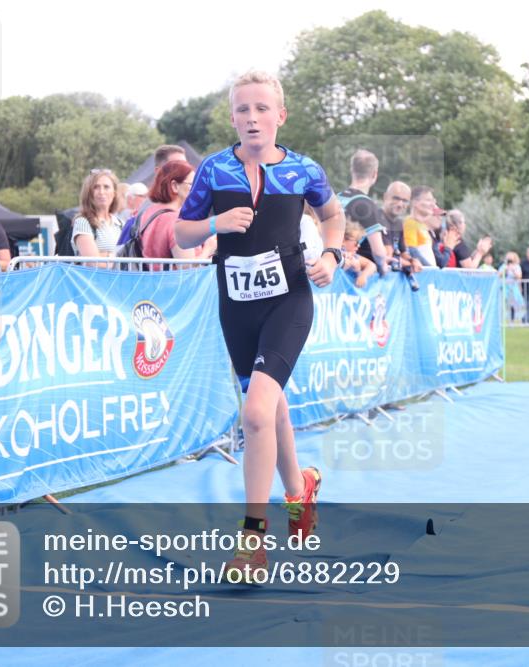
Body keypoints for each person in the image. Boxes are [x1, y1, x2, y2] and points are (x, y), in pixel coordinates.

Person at [175, 70, 345, 582]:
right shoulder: (213, 171)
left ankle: (252, 541)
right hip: (237, 306)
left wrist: (333, 255)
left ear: (280, 116)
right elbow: (182, 230)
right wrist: (214, 225)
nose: (252, 118)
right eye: (243, 110)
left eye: (262, 109)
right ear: (233, 117)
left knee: (254, 414)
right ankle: (299, 490)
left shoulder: (303, 170)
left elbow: (333, 216)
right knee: (270, 410)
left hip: (290, 300)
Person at [139, 161, 215, 269]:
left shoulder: (148, 212)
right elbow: (187, 266)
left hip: (152, 282)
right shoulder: (176, 219)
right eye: (192, 184)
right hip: (176, 284)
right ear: (174, 186)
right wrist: (209, 248)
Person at [118, 145, 191, 246]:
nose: (184, 171)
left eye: (185, 166)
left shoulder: (187, 206)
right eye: (176, 166)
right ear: (158, 172)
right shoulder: (149, 212)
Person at [339, 149, 387, 275]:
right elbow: (379, 253)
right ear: (374, 174)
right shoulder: (367, 205)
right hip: (347, 273)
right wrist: (383, 269)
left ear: (352, 170)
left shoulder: (335, 198)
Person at [72, 169, 123, 266]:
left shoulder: (120, 224)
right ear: (89, 193)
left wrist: (106, 256)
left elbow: (130, 258)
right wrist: (117, 258)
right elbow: (95, 263)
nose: (101, 192)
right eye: (96, 187)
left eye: (106, 187)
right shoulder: (83, 222)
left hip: (118, 280)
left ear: (114, 193)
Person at [403, 186, 439, 267]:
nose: (433, 204)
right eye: (428, 200)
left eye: (433, 200)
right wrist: (432, 269)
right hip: (423, 274)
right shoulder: (410, 223)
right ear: (415, 202)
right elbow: (412, 251)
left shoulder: (421, 224)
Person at [343, 221, 378, 288]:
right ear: (343, 240)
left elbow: (372, 265)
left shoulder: (354, 256)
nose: (358, 245)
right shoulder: (332, 252)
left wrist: (363, 275)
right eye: (356, 242)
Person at [500, 252, 523, 324]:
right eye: (508, 256)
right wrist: (505, 270)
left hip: (513, 288)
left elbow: (519, 277)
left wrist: (513, 270)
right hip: (504, 287)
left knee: (512, 305)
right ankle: (501, 321)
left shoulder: (517, 266)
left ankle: (511, 321)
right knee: (502, 304)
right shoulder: (503, 266)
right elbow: (498, 275)